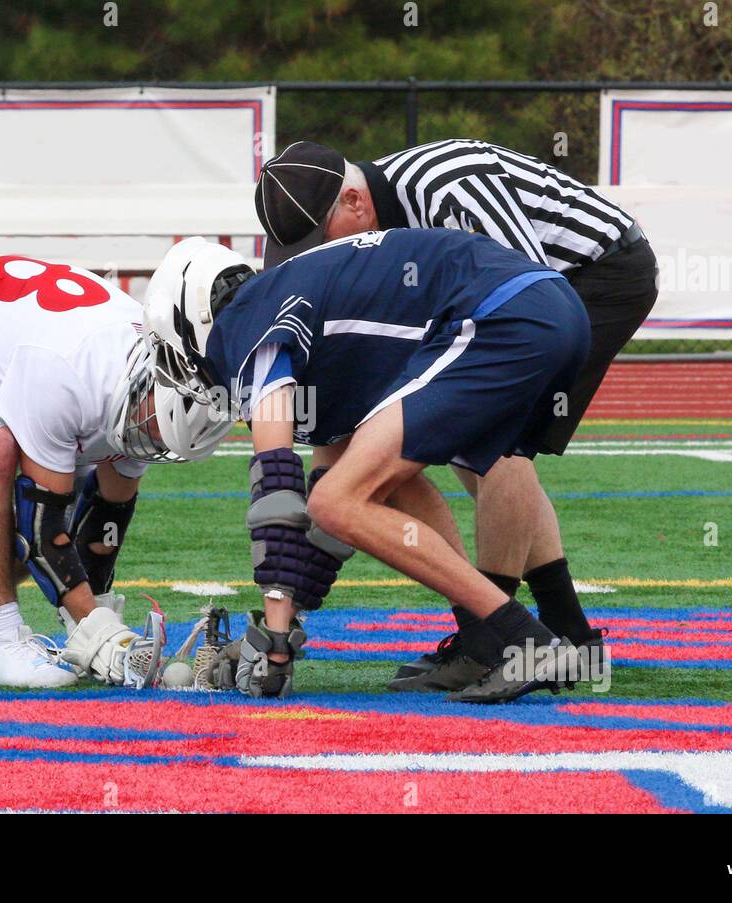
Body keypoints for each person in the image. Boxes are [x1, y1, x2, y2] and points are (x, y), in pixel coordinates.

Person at [253, 139, 658, 689]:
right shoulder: (382, 217)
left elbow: (532, 291)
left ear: (354, 202)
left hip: (592, 274)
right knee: (474, 445)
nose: (318, 259)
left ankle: (496, 640)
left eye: (318, 240)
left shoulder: (448, 189)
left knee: (493, 448)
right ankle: (566, 633)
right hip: (534, 293)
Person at [142, 230, 590, 703]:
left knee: (337, 499)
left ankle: (529, 641)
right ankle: (485, 641)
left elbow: (276, 496)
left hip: (504, 314)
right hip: (542, 310)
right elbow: (324, 531)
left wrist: (273, 647)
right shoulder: (305, 316)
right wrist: (285, 625)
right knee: (362, 490)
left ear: (191, 316)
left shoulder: (246, 322)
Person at [0, 254, 229, 688]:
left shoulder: (155, 390)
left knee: (69, 482)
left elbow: (107, 515)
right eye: (154, 432)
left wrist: (96, 616)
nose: (150, 443)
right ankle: (0, 645)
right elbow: (41, 529)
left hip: (12, 331)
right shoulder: (70, 374)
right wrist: (95, 629)